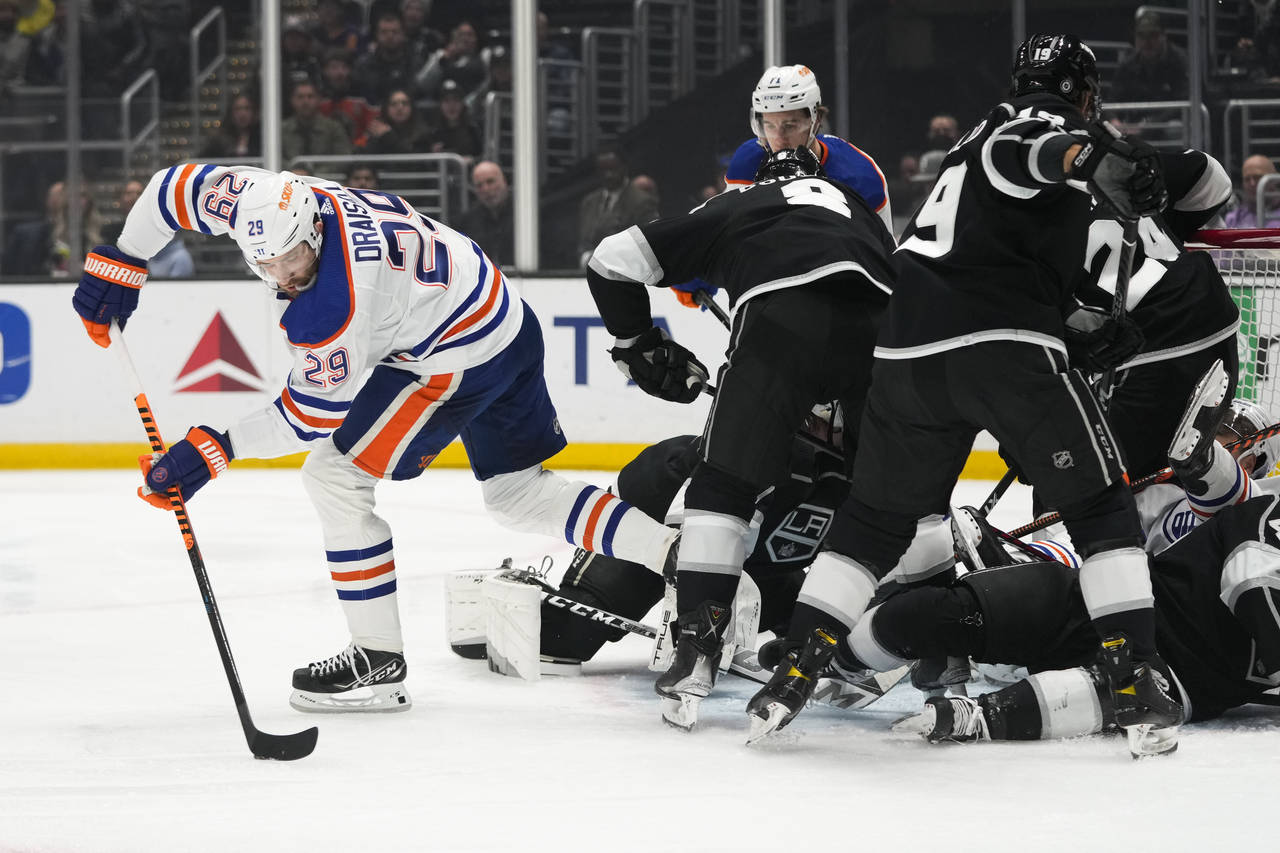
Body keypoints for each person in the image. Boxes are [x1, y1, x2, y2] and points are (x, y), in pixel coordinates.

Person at [70, 164, 681, 713]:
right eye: (265, 265)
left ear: (311, 230)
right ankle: (675, 557)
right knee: (517, 496)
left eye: (292, 258)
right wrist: (125, 257)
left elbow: (308, 417)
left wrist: (212, 448)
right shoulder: (263, 201)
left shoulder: (333, 305)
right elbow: (170, 188)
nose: (283, 276)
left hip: (456, 352)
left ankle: (377, 659)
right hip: (503, 314)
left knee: (333, 475)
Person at [741, 35, 1182, 756]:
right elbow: (1037, 150)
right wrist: (1087, 156)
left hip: (907, 352)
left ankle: (797, 664)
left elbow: (1016, 234)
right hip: (1000, 343)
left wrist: (1076, 323)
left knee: (872, 523)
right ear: (1081, 90)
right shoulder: (1036, 121)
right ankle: (1133, 675)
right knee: (1101, 504)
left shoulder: (969, 149)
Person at [586, 146, 897, 729]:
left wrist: (637, 344)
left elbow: (610, 259)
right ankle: (853, 648)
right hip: (880, 333)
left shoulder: (742, 202)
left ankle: (697, 648)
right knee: (884, 504)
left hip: (779, 325)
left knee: (722, 486)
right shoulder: (865, 214)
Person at [878, 386, 1280, 752]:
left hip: (1150, 642)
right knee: (1076, 569)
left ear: (1259, 454)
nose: (1227, 433)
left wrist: (1203, 461)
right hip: (1106, 598)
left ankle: (995, 605)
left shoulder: (1253, 505)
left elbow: (1232, 500)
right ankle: (997, 571)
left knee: (1099, 671)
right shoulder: (1163, 496)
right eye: (1222, 428)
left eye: (1235, 431)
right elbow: (1103, 543)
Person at [1072, 146, 1238, 480]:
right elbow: (1215, 181)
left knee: (1082, 489)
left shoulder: (1021, 214)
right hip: (1214, 321)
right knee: (1171, 484)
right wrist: (1170, 224)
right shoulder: (1112, 170)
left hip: (1147, 354)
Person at [723, 65, 892, 231]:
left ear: (816, 120)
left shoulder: (861, 177)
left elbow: (880, 254)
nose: (779, 139)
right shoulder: (746, 163)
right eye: (769, 126)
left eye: (789, 126)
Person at [576, 150, 659, 269]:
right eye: (603, 170)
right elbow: (583, 241)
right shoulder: (589, 202)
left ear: (624, 168)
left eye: (613, 169)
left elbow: (647, 243)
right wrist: (586, 258)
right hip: (587, 274)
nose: (608, 175)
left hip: (626, 272)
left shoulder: (642, 201)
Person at [2, 179, 101, 277]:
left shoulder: (97, 236)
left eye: (82, 195)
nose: (76, 201)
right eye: (70, 196)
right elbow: (29, 270)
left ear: (89, 201)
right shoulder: (42, 235)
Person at [101, 180, 193, 279]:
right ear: (120, 199)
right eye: (129, 193)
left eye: (139, 193)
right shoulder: (112, 234)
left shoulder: (177, 256)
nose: (134, 197)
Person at [1110, 11, 1189, 103]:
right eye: (1141, 35)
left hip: (1173, 116)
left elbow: (1183, 101)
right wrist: (1113, 117)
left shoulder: (1180, 61)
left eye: (1153, 35)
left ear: (1164, 36)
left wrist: (1155, 118)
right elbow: (1112, 101)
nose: (1147, 41)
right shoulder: (1127, 65)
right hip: (1136, 116)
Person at [415, 20, 486, 107]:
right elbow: (422, 84)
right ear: (454, 37)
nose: (465, 39)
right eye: (461, 34)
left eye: (469, 35)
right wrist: (441, 61)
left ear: (476, 38)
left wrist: (467, 104)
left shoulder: (484, 58)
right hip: (440, 107)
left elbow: (483, 88)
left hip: (470, 106)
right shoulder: (440, 56)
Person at [318, 49, 379, 149]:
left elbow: (374, 128)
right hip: (325, 154)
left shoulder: (363, 95)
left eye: (344, 67)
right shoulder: (317, 98)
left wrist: (359, 146)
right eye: (334, 67)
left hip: (359, 153)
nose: (340, 72)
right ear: (325, 71)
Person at [352, 11, 416, 105]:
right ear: (377, 35)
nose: (389, 36)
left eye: (395, 32)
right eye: (384, 32)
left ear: (403, 35)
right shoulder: (363, 65)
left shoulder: (414, 63)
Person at [281, 79, 353, 164]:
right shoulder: (281, 130)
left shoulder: (333, 128)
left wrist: (313, 174)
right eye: (300, 97)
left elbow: (343, 159)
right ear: (292, 100)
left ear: (319, 99)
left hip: (326, 177)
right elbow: (275, 159)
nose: (305, 101)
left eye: (310, 96)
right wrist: (293, 172)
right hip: (289, 176)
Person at [458, 160, 513, 267]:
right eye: (479, 185)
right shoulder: (467, 222)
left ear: (504, 182)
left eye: (490, 181)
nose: (486, 189)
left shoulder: (524, 215)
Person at [423, 78, 482, 159]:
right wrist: (432, 154)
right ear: (440, 105)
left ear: (462, 104)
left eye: (456, 100)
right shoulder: (433, 132)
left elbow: (482, 157)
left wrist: (471, 160)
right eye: (446, 101)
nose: (451, 106)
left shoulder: (472, 130)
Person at [364, 87, 431, 155]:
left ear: (412, 108)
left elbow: (413, 159)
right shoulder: (378, 131)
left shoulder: (423, 134)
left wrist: (388, 137)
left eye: (405, 103)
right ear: (386, 108)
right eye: (393, 104)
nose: (400, 108)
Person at [1223, 154, 1280, 228]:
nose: (1252, 183)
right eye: (1247, 179)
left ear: (1273, 179)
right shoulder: (1233, 219)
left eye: (1257, 177)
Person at [199, 94, 261, 160]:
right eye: (238, 109)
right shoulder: (219, 140)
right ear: (231, 112)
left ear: (254, 112)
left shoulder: (261, 138)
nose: (242, 114)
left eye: (247, 108)